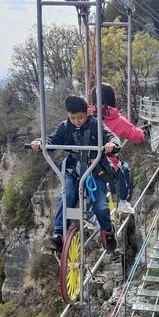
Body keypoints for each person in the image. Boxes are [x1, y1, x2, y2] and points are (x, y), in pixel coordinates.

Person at [31, 95, 120, 252]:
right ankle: (59, 234)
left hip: (94, 168)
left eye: (80, 117)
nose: (77, 121)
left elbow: (111, 136)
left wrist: (112, 144)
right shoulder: (65, 127)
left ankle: (108, 230)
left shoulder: (95, 125)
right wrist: (40, 142)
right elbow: (52, 140)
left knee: (99, 205)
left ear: (87, 113)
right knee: (66, 195)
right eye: (73, 118)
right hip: (74, 169)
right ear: (68, 115)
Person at [90, 83, 145, 215]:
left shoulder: (87, 115)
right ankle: (123, 202)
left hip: (87, 162)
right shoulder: (116, 119)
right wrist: (142, 131)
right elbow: (137, 137)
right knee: (123, 168)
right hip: (106, 164)